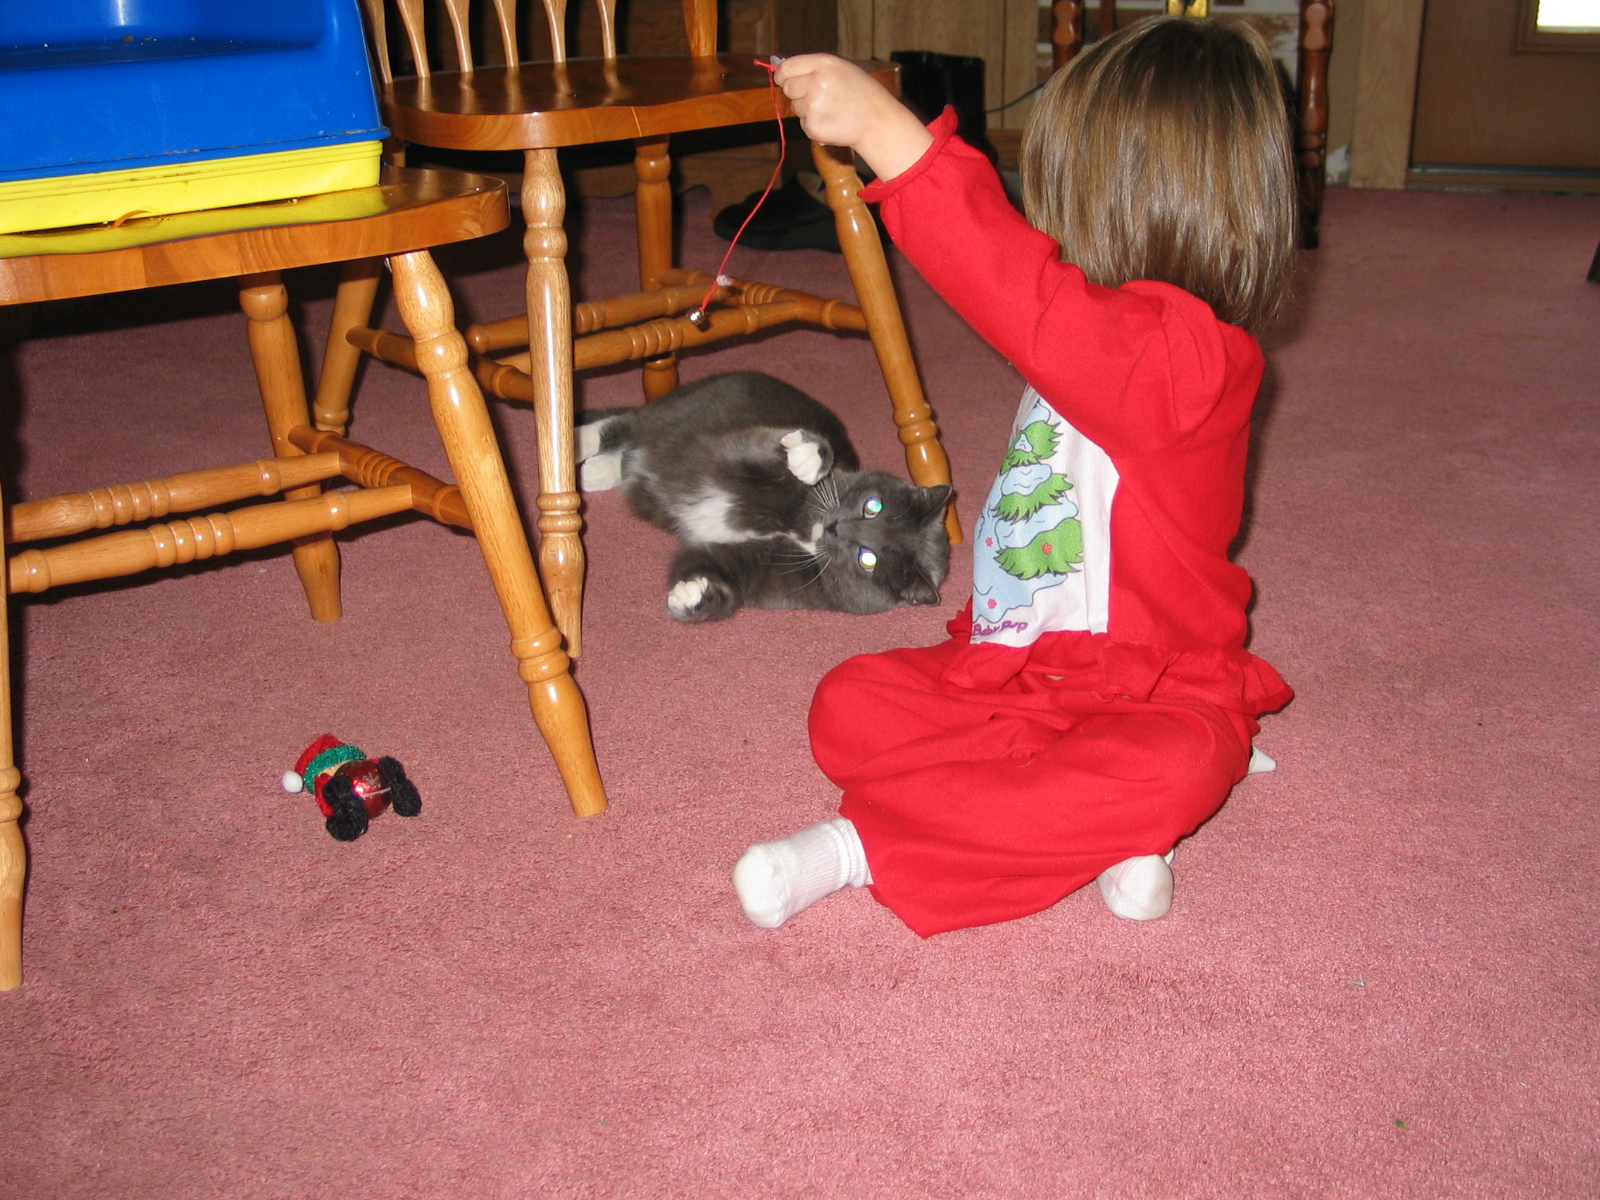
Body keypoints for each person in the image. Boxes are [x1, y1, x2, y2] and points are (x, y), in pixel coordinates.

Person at [733, 17, 1298, 937]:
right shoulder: (1108, 324)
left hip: (1153, 687)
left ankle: (863, 848)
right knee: (849, 707)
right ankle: (1101, 834)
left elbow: (1009, 284)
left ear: (1121, 196)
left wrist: (887, 134)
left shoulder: (1188, 364)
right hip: (1021, 669)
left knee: (1170, 766)